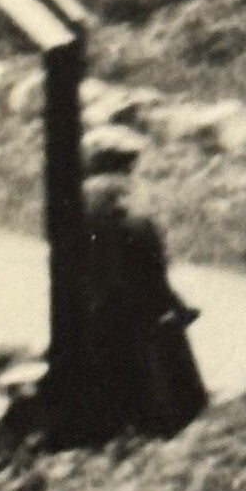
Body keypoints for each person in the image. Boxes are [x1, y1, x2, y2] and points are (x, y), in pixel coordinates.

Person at [81, 125, 207, 440]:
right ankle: (174, 420)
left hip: (87, 313)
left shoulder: (77, 203)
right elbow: (152, 276)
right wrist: (177, 307)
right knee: (166, 337)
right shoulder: (131, 209)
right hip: (131, 320)